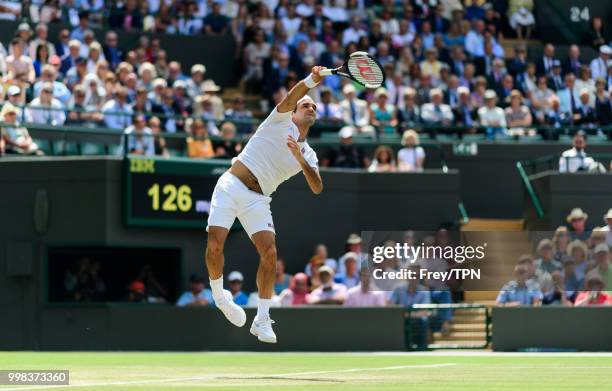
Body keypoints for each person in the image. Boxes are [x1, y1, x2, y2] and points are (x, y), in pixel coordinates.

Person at [205, 66, 326, 344]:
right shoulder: (278, 121)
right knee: (214, 246)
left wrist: (300, 158)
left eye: (313, 106)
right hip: (231, 184)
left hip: (259, 200)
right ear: (293, 113)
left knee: (270, 253)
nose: (310, 107)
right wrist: (311, 81)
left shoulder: (309, 153)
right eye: (305, 104)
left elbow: (317, 187)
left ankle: (262, 318)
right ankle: (221, 297)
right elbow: (293, 95)